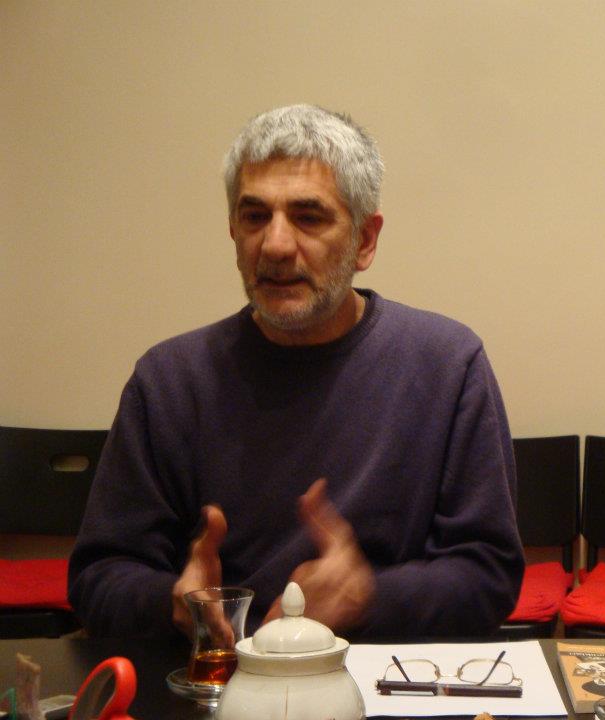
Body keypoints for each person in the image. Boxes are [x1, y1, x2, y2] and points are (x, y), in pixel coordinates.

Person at [68, 104, 524, 639]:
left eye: (308, 217)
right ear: (233, 230)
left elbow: (488, 575)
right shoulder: (169, 380)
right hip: (219, 670)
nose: (276, 245)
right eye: (254, 216)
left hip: (379, 669)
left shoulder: (447, 364)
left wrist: (369, 596)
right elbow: (99, 576)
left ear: (365, 240)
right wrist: (172, 602)